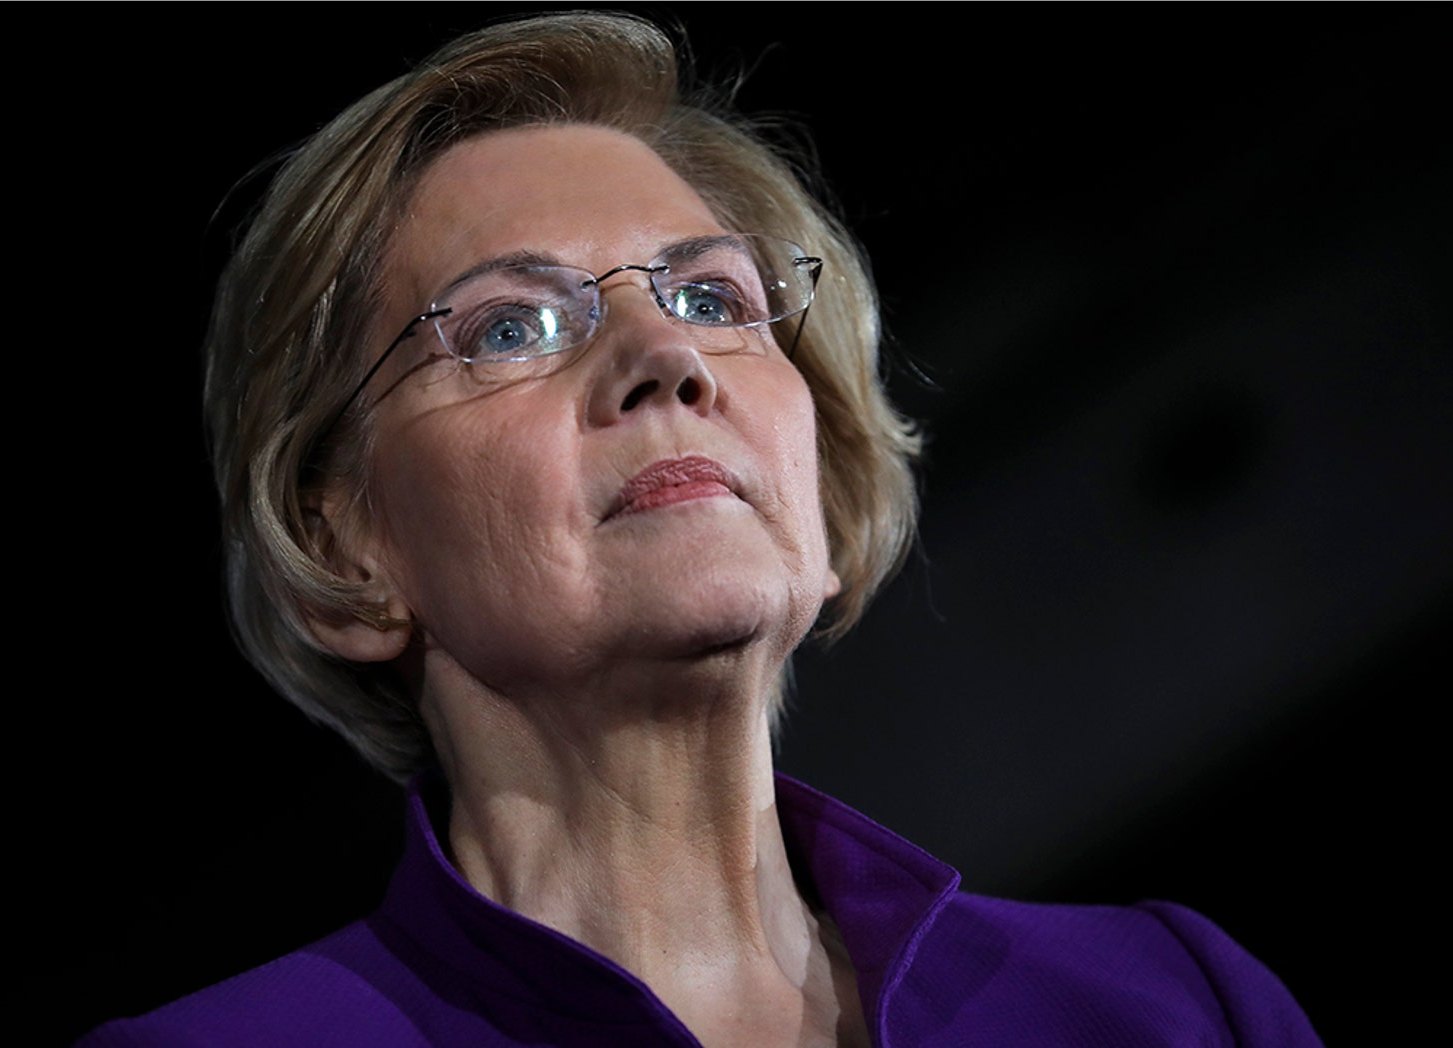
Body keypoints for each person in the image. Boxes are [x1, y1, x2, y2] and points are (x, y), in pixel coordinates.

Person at [80, 13, 1319, 1047]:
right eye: (511, 326)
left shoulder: (1167, 1005)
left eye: (712, 295)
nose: (662, 355)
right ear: (346, 553)